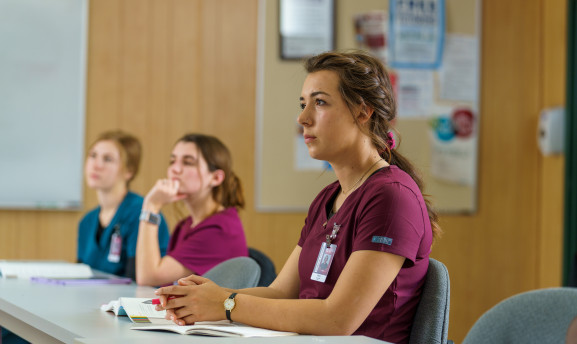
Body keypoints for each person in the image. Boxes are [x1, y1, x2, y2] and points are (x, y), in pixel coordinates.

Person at [154, 51, 442, 344]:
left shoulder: (392, 197)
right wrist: (203, 298)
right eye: (303, 105)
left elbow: (337, 319)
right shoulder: (328, 198)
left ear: (362, 112)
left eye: (320, 103)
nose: (303, 119)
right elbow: (281, 292)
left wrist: (226, 304)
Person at [135, 133, 248, 287]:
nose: (175, 169)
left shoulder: (219, 230)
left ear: (216, 178)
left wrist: (151, 207)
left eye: (188, 163)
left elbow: (148, 277)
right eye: (172, 161)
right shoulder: (186, 224)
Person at [78, 130, 170, 280]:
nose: (96, 165)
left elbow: (136, 282)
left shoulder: (142, 213)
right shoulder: (87, 222)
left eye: (107, 159)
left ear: (129, 171)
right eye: (93, 156)